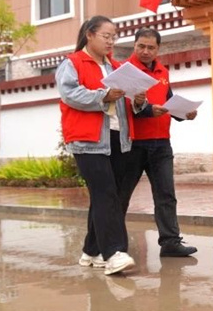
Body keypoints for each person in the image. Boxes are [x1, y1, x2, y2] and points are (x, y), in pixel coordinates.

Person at [57, 15, 137, 276]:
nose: (111, 41)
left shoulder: (116, 67)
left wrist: (138, 99)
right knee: (106, 194)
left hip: (116, 137)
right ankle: (114, 253)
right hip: (87, 140)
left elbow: (125, 102)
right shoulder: (72, 63)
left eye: (114, 37)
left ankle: (91, 251)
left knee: (107, 195)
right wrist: (104, 95)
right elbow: (71, 94)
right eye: (106, 36)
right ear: (89, 35)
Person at [120, 27, 198, 257]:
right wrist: (147, 110)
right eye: (141, 46)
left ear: (158, 49)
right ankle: (113, 243)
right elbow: (124, 106)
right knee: (121, 195)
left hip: (161, 143)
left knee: (166, 195)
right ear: (134, 45)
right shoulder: (125, 70)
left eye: (151, 47)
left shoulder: (162, 71)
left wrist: (185, 113)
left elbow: (168, 100)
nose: (146, 51)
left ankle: (170, 242)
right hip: (133, 143)